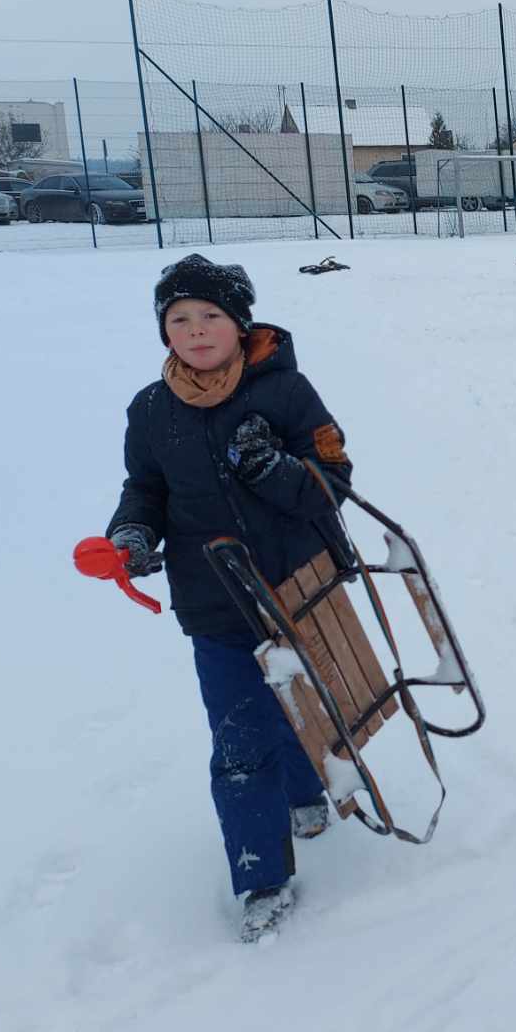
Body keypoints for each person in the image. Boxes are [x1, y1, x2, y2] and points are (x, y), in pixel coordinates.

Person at [104, 254, 351, 943]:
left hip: (298, 586)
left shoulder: (286, 393)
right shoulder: (151, 410)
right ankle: (262, 876)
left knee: (301, 705)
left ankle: (306, 793)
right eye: (179, 319)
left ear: (241, 326)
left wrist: (273, 470)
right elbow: (145, 489)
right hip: (213, 601)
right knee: (239, 740)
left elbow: (334, 480)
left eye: (211, 316)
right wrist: (130, 533)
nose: (196, 330)